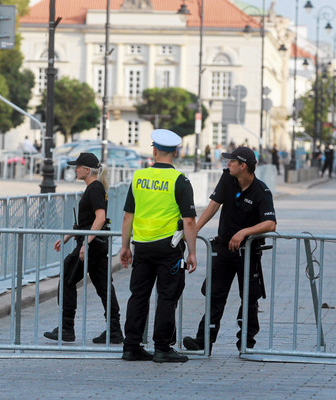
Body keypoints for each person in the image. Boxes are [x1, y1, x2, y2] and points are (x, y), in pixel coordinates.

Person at [183, 146, 276, 353]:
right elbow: (213, 206)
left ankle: (246, 341)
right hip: (224, 249)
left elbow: (270, 223)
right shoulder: (227, 178)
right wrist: (193, 231)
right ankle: (203, 340)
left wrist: (244, 232)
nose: (228, 164)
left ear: (243, 166)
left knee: (250, 298)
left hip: (247, 253)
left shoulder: (261, 191)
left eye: (232, 161)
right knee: (214, 294)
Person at [120, 129, 197, 363]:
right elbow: (189, 221)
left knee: (138, 296)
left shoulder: (138, 177)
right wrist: (192, 251)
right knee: (167, 296)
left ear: (154, 150)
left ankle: (131, 346)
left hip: (142, 246)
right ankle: (162, 347)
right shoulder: (180, 181)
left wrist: (125, 247)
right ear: (175, 151)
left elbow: (127, 217)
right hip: (169, 248)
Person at [44, 153, 123, 344]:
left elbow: (100, 218)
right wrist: (67, 236)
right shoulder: (96, 187)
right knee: (104, 287)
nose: (75, 170)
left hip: (92, 245)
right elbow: (88, 221)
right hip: (97, 243)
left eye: (77, 167)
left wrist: (85, 244)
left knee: (67, 279)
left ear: (87, 170)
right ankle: (114, 330)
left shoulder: (94, 188)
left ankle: (66, 328)